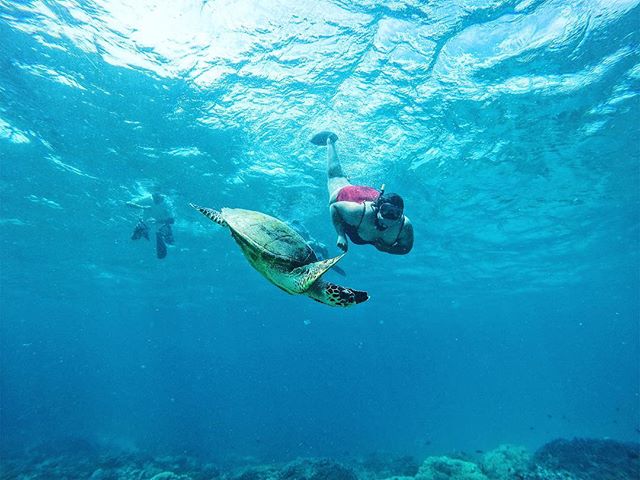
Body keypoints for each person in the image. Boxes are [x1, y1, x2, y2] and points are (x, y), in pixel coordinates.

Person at [311, 131, 414, 255]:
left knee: (340, 178)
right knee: (334, 176)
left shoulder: (403, 226)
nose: (390, 217)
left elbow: (406, 248)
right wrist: (341, 235)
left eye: (396, 213)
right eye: (387, 210)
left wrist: (387, 249)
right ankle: (330, 141)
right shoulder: (358, 212)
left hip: (374, 198)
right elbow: (334, 207)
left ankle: (347, 180)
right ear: (378, 208)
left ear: (401, 214)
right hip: (355, 197)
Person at [127, 192, 175, 259]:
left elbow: (172, 220)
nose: (155, 200)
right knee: (134, 237)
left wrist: (157, 221)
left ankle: (162, 237)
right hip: (146, 221)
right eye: (154, 197)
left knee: (169, 243)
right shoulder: (147, 198)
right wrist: (142, 207)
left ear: (161, 196)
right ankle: (146, 232)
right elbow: (128, 203)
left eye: (157, 198)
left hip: (162, 223)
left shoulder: (167, 203)